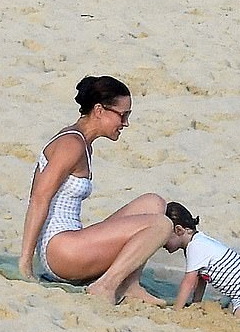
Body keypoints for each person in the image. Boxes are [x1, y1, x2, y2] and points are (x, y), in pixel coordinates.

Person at [19, 75, 173, 305]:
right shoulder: (71, 144)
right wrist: (25, 262)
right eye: (122, 115)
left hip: (71, 240)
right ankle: (105, 285)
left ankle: (129, 284)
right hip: (59, 250)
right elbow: (39, 198)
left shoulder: (82, 142)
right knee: (162, 225)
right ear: (99, 110)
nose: (126, 123)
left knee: (154, 204)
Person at [163, 202, 240, 319]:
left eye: (164, 237)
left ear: (179, 230)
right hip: (238, 295)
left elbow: (188, 282)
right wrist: (196, 303)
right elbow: (201, 278)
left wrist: (176, 310)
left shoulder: (196, 246)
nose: (162, 243)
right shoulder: (194, 244)